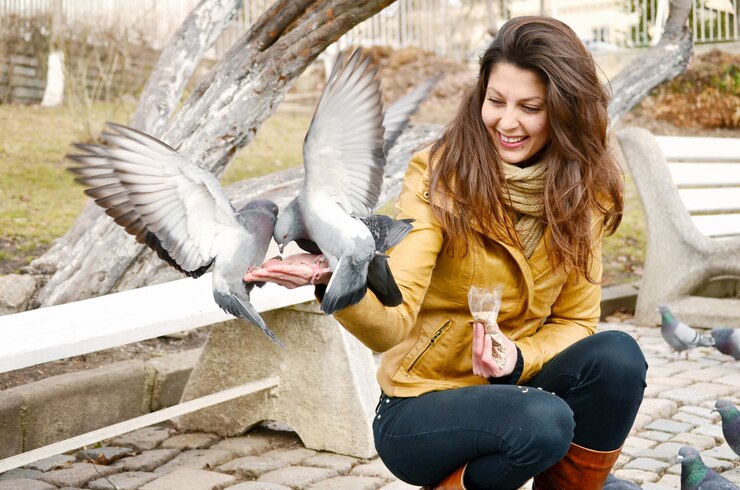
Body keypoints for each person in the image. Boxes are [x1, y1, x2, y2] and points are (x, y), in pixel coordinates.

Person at [245, 16, 647, 490]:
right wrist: (336, 277)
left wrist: (518, 358)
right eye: (495, 101)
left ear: (565, 111)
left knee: (619, 358)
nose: (507, 122)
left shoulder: (583, 195)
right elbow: (391, 324)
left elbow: (576, 322)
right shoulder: (441, 177)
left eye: (530, 107)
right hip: (420, 406)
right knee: (545, 420)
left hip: (513, 387)